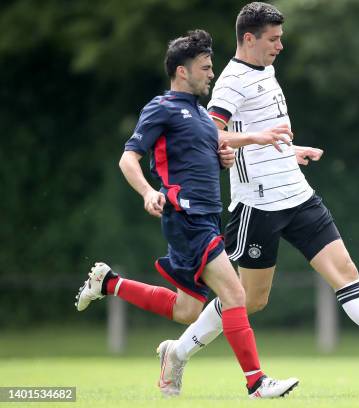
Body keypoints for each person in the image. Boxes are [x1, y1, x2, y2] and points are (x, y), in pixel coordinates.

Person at [159, 1, 359, 393]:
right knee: (248, 300)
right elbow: (209, 136)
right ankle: (177, 354)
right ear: (248, 38)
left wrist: (289, 151)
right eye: (273, 39)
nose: (280, 45)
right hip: (258, 204)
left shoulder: (266, 69)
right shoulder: (231, 81)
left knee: (347, 275)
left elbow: (261, 132)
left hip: (298, 195)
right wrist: (257, 140)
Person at [74, 29, 299, 399]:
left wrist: (224, 158)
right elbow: (128, 158)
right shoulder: (161, 108)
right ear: (182, 71)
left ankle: (110, 283)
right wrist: (148, 192)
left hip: (208, 217)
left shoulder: (199, 113)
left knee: (187, 310)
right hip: (186, 217)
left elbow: (210, 150)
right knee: (234, 294)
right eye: (205, 67)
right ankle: (256, 382)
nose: (212, 73)